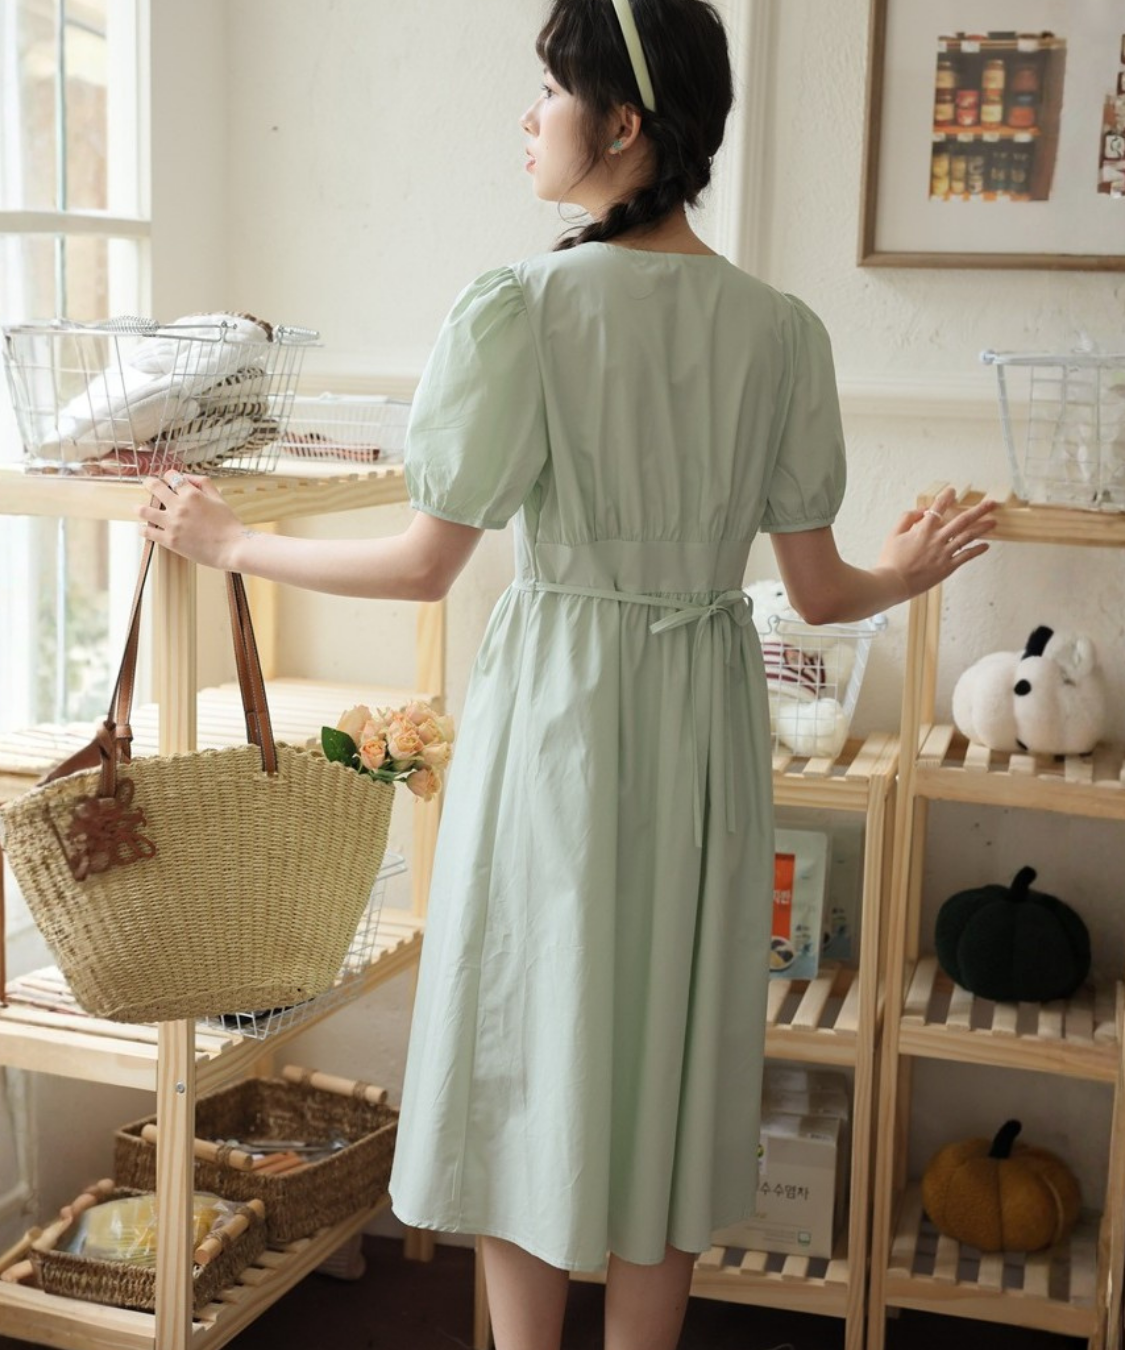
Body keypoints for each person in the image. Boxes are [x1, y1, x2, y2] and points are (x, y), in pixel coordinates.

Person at [139, 2, 997, 1346]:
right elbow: (826, 594)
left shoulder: (523, 310)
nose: (528, 117)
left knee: (529, 1044)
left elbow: (425, 566)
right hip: (704, 719)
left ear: (623, 123)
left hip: (561, 713)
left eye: (550, 90)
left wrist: (235, 542)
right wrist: (908, 568)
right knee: (671, 1056)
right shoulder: (780, 331)